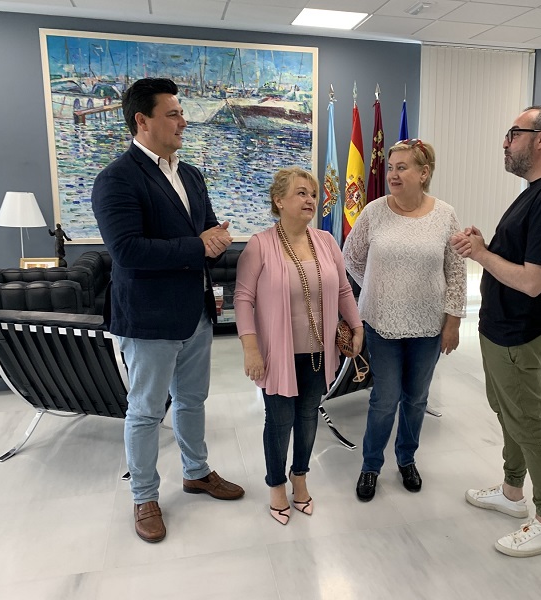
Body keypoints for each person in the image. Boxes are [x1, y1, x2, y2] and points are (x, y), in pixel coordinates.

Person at [92, 77, 244, 544]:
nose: (183, 121)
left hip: (196, 312)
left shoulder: (191, 174)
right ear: (142, 120)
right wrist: (198, 245)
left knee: (193, 400)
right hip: (148, 318)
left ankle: (196, 472)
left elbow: (206, 232)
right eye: (173, 114)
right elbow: (127, 250)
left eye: (181, 113)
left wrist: (215, 242)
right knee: (145, 411)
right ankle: (144, 497)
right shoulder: (116, 179)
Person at [450, 105, 541, 557]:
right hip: (502, 325)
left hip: (521, 331)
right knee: (508, 411)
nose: (506, 142)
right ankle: (512, 492)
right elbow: (522, 257)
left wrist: (480, 255)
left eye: (514, 133)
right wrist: (486, 246)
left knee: (528, 422)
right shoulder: (537, 190)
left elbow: (532, 281)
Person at [234, 166, 363, 525]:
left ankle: (300, 477)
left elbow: (343, 290)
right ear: (279, 201)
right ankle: (276, 484)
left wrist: (356, 325)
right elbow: (242, 299)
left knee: (308, 417)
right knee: (279, 421)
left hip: (319, 352)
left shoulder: (326, 241)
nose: (310, 199)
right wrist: (250, 348)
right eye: (301, 193)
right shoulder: (260, 245)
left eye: (313, 193)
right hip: (277, 354)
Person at [343, 139, 466, 502]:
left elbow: (456, 271)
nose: (393, 174)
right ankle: (370, 466)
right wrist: (379, 287)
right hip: (381, 323)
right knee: (385, 399)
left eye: (402, 167)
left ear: (423, 173)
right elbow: (351, 257)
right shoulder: (374, 212)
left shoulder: (445, 214)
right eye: (391, 167)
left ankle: (406, 459)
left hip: (429, 326)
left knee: (416, 399)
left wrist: (453, 321)